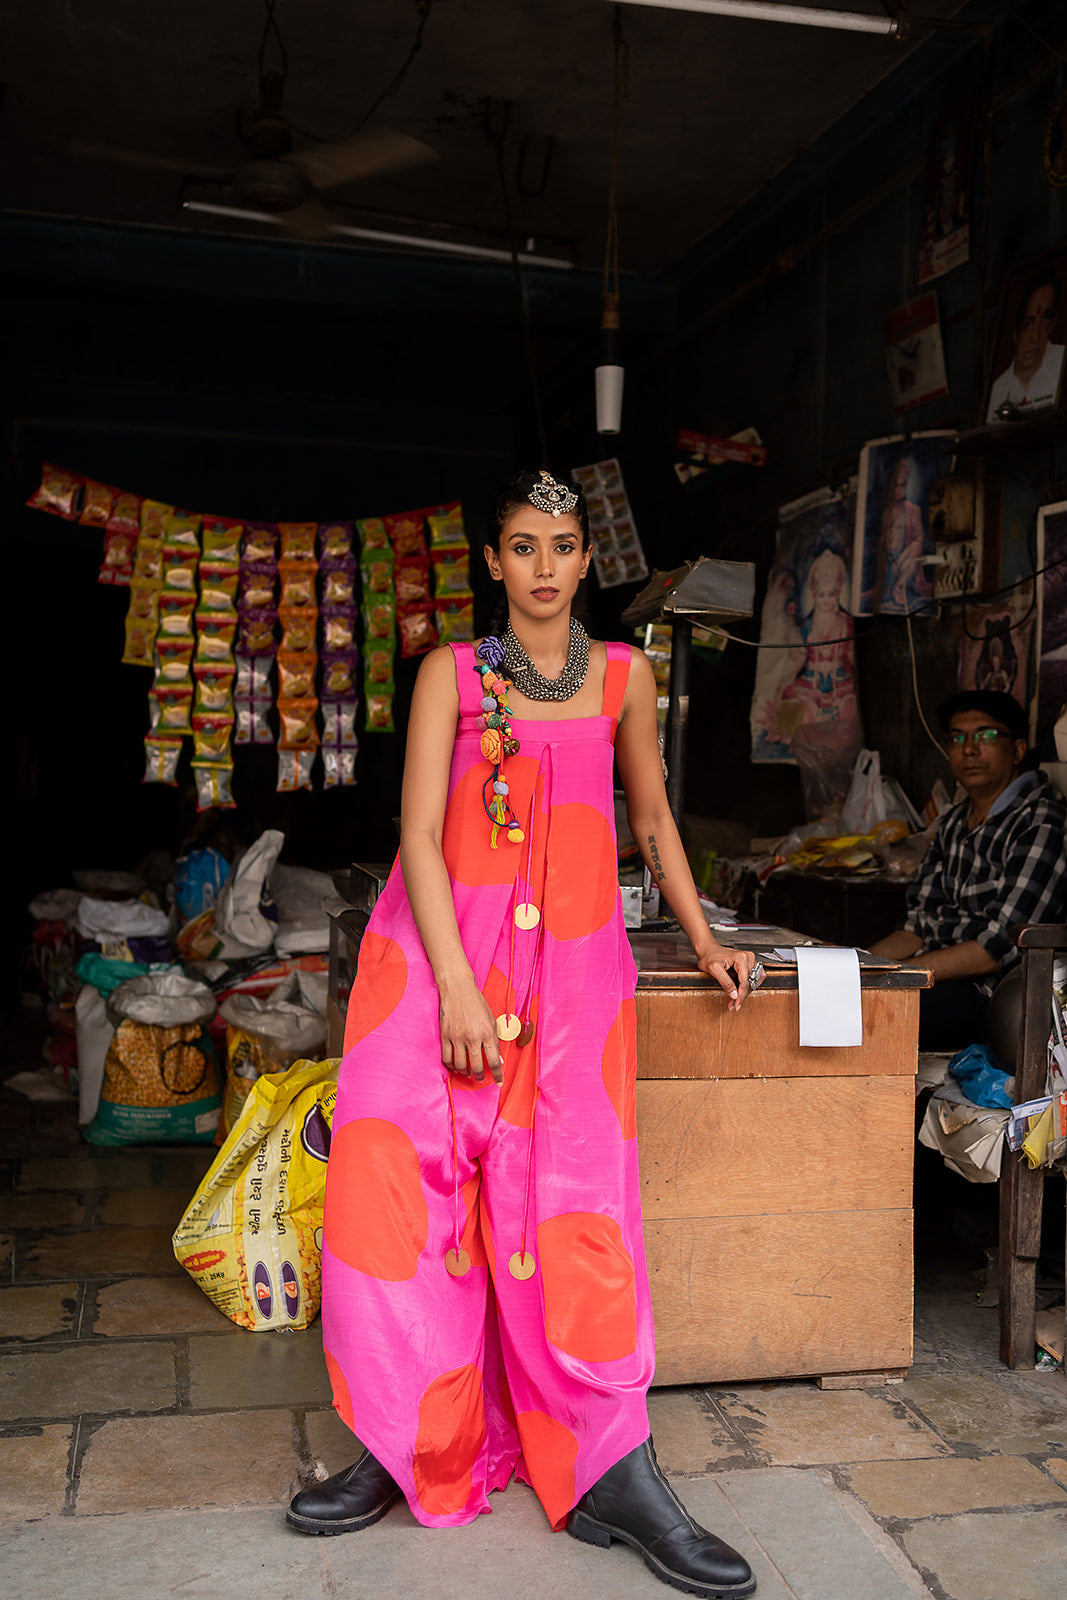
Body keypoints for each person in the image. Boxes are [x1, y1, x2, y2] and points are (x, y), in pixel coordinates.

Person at [287, 469, 758, 1599]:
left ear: (583, 562)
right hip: (436, 963)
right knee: (395, 1200)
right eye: (521, 546)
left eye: (560, 545)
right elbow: (415, 831)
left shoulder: (623, 676)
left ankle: (612, 1462)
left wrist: (700, 940)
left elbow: (651, 819)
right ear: (492, 562)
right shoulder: (452, 673)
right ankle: (403, 1447)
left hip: (574, 979)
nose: (543, 566)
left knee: (577, 1210)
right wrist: (452, 983)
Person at [869, 690, 1067, 1050]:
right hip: (931, 976)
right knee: (847, 998)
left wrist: (898, 977)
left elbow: (994, 950)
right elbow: (915, 927)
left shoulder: (1041, 822)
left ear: (1019, 750)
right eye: (958, 738)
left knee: (874, 1018)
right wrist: (858, 967)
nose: (969, 749)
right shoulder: (953, 822)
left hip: (988, 996)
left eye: (986, 736)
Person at [986, 272, 1065, 420]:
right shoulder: (999, 389)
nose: (1035, 337)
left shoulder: (1062, 360)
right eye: (1028, 324)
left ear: (1054, 323)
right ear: (1015, 333)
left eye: (1045, 319)